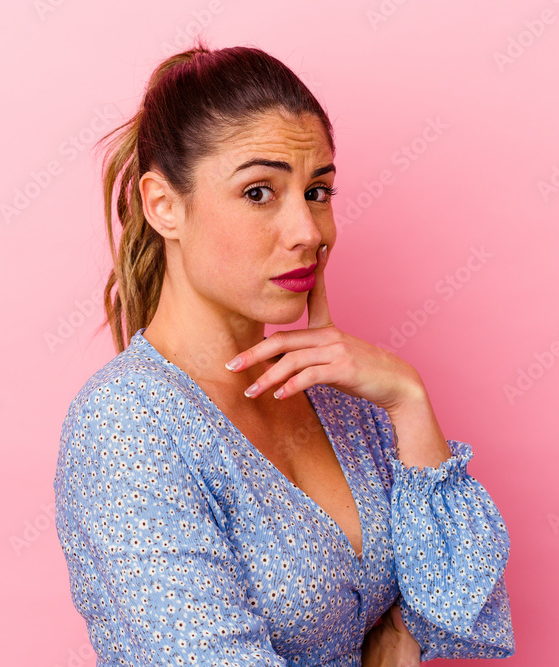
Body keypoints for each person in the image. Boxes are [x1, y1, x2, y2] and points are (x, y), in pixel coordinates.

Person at [53, 38, 515, 666]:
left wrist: (409, 400)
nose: (308, 233)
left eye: (318, 192)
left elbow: (463, 615)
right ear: (164, 206)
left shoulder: (340, 394)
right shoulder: (124, 428)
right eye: (258, 192)